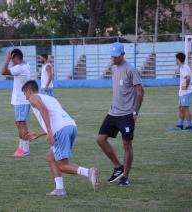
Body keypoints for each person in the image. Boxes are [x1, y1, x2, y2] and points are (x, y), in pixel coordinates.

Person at [22, 80, 99, 196]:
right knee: (51, 157)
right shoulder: (49, 98)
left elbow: (44, 110)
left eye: (24, 93)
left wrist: (49, 133)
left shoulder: (33, 97)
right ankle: (60, 189)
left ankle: (88, 172)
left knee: (62, 165)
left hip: (60, 130)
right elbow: (56, 118)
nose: (25, 97)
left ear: (29, 91)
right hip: (71, 126)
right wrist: (39, 134)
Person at [96, 42, 144, 186]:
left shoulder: (131, 69)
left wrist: (135, 111)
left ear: (122, 54)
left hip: (127, 114)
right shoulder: (114, 68)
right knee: (100, 139)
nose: (113, 59)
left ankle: (125, 177)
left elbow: (140, 92)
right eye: (112, 56)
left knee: (126, 145)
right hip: (113, 112)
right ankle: (118, 167)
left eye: (116, 56)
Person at [2, 49, 31, 157]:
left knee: (22, 124)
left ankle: (25, 149)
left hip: (21, 101)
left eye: (12, 58)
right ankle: (21, 147)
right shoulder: (26, 65)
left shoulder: (19, 68)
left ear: (15, 58)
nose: (11, 61)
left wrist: (7, 60)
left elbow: (3, 72)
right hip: (20, 100)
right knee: (19, 124)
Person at [173, 53, 192, 131]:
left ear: (178, 59)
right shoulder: (183, 67)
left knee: (186, 108)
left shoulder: (183, 68)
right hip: (183, 92)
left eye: (176, 59)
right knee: (181, 108)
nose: (175, 61)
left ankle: (189, 126)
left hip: (186, 92)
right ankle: (180, 125)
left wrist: (186, 86)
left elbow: (188, 78)